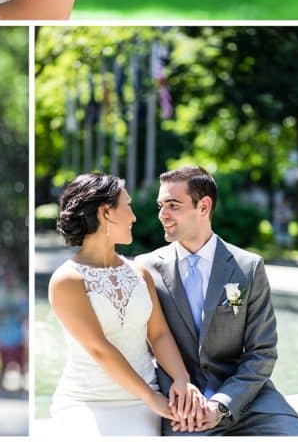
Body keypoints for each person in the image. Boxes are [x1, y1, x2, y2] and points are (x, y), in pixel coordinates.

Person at [137, 166, 298, 436]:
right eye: (161, 205)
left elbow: (262, 352)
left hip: (250, 402)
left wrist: (221, 405)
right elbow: (145, 347)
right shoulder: (146, 269)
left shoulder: (248, 267)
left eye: (173, 205)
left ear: (203, 206)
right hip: (183, 406)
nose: (162, 215)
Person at [48, 173, 204, 436]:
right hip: (88, 400)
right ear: (105, 212)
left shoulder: (139, 272)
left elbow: (159, 334)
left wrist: (181, 379)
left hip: (142, 400)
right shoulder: (66, 280)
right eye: (127, 206)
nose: (133, 216)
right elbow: (99, 349)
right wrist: (150, 398)